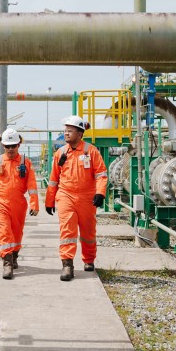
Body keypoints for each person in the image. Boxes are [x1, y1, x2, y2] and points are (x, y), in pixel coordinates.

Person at [45, 116, 108, 281]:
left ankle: (89, 260)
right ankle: (67, 265)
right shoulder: (60, 153)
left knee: (88, 232)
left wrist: (100, 193)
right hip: (66, 195)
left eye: (70, 131)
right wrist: (49, 201)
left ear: (80, 133)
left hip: (87, 198)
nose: (66, 133)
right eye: (65, 130)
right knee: (68, 231)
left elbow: (101, 174)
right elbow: (53, 179)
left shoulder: (91, 151)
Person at [0, 128, 40, 279]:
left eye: (13, 145)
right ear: (3, 146)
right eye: (7, 146)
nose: (10, 149)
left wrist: (34, 204)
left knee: (16, 232)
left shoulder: (25, 163)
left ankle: (14, 255)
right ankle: (7, 262)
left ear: (18, 145)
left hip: (19, 204)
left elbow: (32, 185)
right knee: (4, 232)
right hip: (0, 203)